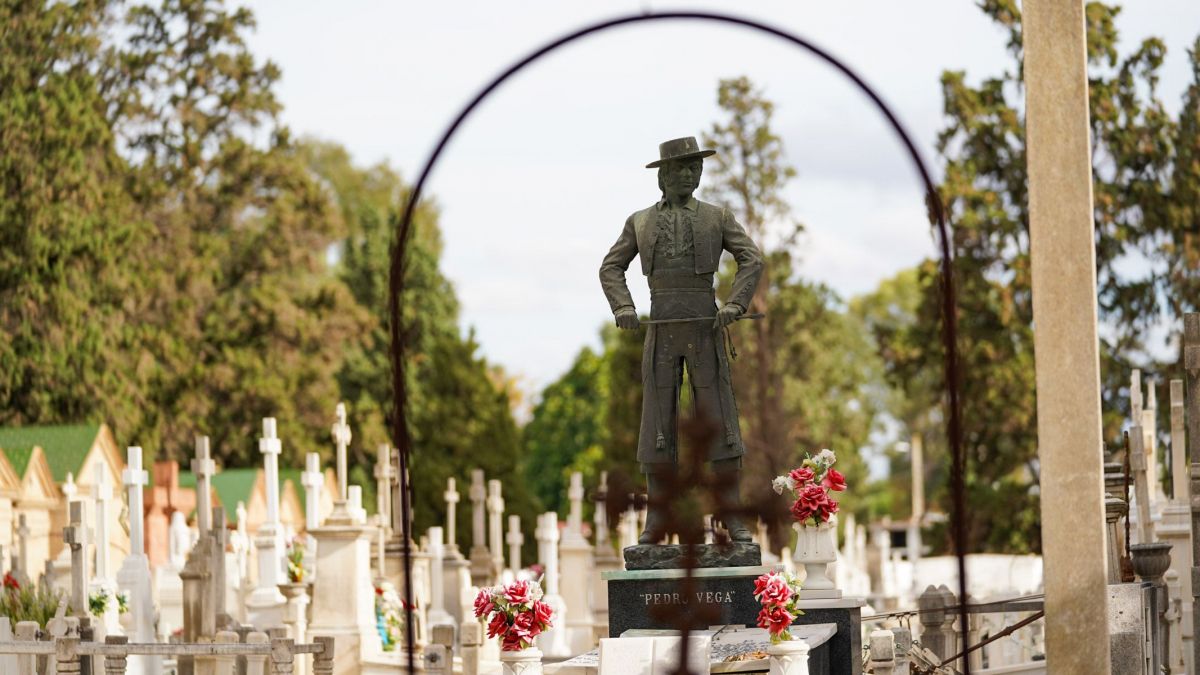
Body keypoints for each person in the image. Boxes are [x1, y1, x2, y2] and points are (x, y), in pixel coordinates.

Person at [599, 136, 763, 544]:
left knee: (719, 420)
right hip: (662, 329)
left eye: (695, 168)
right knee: (657, 422)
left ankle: (732, 517)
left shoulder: (716, 216)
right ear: (663, 177)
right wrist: (624, 308)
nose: (689, 175)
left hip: (705, 327)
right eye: (680, 169)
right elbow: (611, 267)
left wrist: (735, 304)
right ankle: (657, 523)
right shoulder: (639, 221)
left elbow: (752, 258)